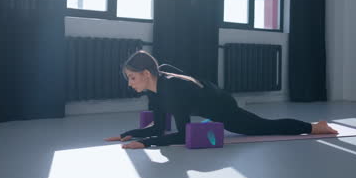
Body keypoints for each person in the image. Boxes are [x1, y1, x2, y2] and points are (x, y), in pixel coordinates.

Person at [105, 50, 338, 149]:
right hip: (208, 95)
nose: (129, 83)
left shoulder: (171, 89)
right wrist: (131, 133)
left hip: (222, 106)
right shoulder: (155, 90)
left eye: (132, 77)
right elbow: (157, 126)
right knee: (261, 125)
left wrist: (147, 143)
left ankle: (315, 127)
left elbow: (182, 134)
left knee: (262, 127)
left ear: (146, 74)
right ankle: (313, 126)